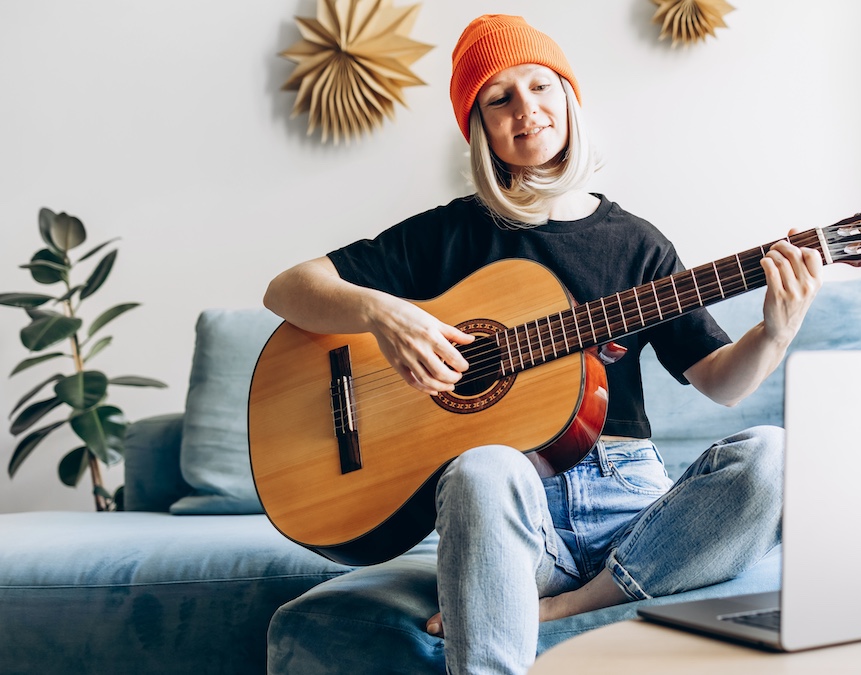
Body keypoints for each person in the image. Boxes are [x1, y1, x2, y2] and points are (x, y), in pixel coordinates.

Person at [263, 14, 822, 675]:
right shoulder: (450, 236)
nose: (525, 109)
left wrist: (775, 331)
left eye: (539, 86)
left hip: (634, 504)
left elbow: (721, 382)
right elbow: (287, 288)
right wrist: (382, 313)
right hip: (513, 513)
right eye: (499, 98)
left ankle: (577, 599)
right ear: (481, 129)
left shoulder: (637, 244)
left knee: (776, 456)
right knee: (479, 466)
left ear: (568, 98)